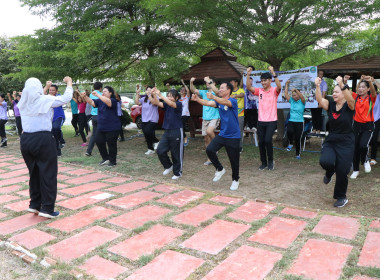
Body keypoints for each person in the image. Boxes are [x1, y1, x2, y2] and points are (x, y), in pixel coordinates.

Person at [18, 76, 73, 218]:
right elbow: (66, 98)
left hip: (26, 141)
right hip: (42, 139)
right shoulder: (45, 100)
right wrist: (69, 82)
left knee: (34, 173)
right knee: (48, 173)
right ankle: (47, 208)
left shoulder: (22, 103)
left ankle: (35, 204)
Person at [192, 77, 240, 190]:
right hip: (223, 134)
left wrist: (214, 96)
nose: (220, 90)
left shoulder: (232, 100)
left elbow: (225, 102)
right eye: (220, 88)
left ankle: (235, 180)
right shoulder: (219, 102)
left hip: (234, 136)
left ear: (229, 90)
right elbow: (208, 103)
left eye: (222, 88)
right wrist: (197, 100)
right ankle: (220, 169)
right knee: (210, 150)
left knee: (234, 160)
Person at [316, 76, 355, 207]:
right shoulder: (331, 104)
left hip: (346, 142)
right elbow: (320, 100)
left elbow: (351, 99)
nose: (334, 93)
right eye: (333, 91)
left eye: (336, 91)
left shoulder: (349, 106)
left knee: (342, 171)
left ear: (344, 93)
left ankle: (341, 197)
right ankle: (329, 171)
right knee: (325, 161)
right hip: (332, 139)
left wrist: (341, 83)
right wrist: (317, 86)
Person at [246, 66, 282, 170]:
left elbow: (279, 87)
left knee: (267, 140)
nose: (263, 83)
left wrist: (273, 72)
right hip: (261, 121)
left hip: (271, 120)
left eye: (265, 80)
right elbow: (248, 87)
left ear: (270, 81)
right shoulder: (259, 91)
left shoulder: (274, 90)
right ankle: (263, 163)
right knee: (261, 142)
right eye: (261, 81)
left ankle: (271, 161)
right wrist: (248, 74)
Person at [81, 86, 120, 167]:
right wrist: (85, 96)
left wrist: (98, 95)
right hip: (101, 126)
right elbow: (92, 102)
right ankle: (106, 158)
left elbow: (108, 103)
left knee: (111, 144)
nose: (103, 92)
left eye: (105, 91)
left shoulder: (113, 100)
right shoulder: (100, 100)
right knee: (99, 141)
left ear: (110, 93)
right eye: (103, 91)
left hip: (112, 127)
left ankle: (113, 162)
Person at [151, 88, 184, 180]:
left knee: (176, 153)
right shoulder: (167, 105)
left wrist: (160, 95)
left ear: (177, 97)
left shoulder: (178, 104)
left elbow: (171, 103)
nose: (169, 98)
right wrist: (154, 94)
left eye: (171, 96)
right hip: (167, 131)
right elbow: (157, 103)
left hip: (176, 130)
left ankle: (178, 173)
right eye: (168, 96)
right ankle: (168, 166)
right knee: (160, 150)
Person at [350, 75, 377, 179]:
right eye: (359, 87)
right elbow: (345, 91)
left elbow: (374, 92)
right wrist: (344, 81)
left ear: (368, 89)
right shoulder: (355, 97)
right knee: (355, 149)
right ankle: (355, 170)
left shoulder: (371, 98)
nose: (360, 89)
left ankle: (365, 160)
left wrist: (370, 81)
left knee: (363, 145)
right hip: (356, 125)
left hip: (368, 125)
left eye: (363, 87)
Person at [190, 77, 220, 165]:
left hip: (214, 117)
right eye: (206, 82)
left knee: (209, 131)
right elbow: (193, 90)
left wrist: (208, 80)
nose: (207, 83)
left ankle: (216, 145)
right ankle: (210, 157)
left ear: (214, 83)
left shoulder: (216, 92)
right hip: (205, 118)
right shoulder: (204, 92)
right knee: (206, 139)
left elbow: (217, 92)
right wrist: (191, 82)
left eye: (209, 82)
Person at [134, 85, 160, 155]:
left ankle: (156, 141)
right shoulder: (144, 99)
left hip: (153, 119)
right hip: (144, 119)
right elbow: (137, 102)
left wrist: (149, 95)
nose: (148, 91)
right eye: (147, 90)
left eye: (150, 90)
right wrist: (137, 94)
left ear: (153, 91)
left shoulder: (155, 97)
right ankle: (150, 148)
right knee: (146, 133)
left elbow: (154, 103)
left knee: (148, 131)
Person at [284, 80, 306, 159]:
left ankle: (298, 154)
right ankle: (290, 143)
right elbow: (286, 94)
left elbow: (302, 97)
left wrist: (296, 90)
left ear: (298, 95)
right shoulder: (292, 101)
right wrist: (286, 84)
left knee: (298, 138)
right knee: (289, 132)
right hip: (291, 121)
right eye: (293, 95)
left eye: (295, 95)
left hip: (299, 122)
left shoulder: (302, 101)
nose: (294, 97)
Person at [44, 84, 66, 157]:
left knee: (56, 127)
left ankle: (61, 140)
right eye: (50, 90)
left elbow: (65, 99)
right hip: (50, 118)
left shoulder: (59, 97)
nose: (51, 91)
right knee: (53, 134)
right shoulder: (46, 98)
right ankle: (58, 152)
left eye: (53, 90)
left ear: (56, 91)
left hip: (59, 117)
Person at [86, 82, 103, 156]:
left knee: (94, 134)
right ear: (101, 88)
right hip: (101, 115)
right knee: (104, 133)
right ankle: (103, 150)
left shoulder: (91, 94)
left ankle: (88, 151)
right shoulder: (102, 95)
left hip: (94, 116)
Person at [230, 77, 245, 153]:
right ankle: (232, 146)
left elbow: (242, 94)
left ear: (236, 83)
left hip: (240, 115)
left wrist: (235, 96)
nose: (231, 84)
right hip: (231, 115)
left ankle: (240, 147)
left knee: (239, 131)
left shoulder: (240, 90)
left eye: (232, 82)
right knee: (232, 131)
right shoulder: (229, 92)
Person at [370, 79, 380, 165]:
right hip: (365, 120)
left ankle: (373, 158)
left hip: (376, 119)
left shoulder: (378, 96)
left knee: (374, 139)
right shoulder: (365, 96)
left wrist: (375, 81)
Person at [179, 79, 191, 146]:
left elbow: (188, 90)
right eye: (181, 90)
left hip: (186, 114)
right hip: (180, 115)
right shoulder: (178, 98)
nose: (182, 91)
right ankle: (183, 138)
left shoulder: (187, 97)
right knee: (180, 127)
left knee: (181, 127)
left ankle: (185, 138)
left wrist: (183, 83)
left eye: (183, 90)